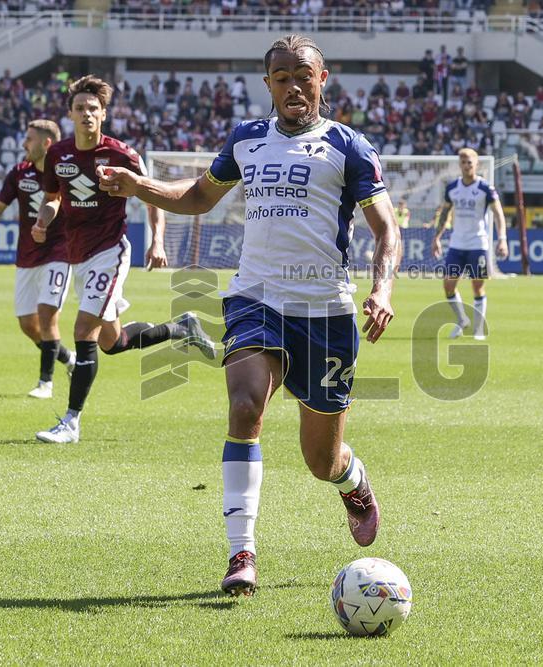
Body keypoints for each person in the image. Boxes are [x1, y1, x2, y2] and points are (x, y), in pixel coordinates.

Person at [97, 34, 401, 597]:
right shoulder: (246, 140)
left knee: (321, 458)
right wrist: (139, 186)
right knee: (243, 406)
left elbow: (386, 228)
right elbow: (196, 198)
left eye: (303, 75)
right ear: (268, 85)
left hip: (326, 311)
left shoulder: (349, 147)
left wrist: (382, 291)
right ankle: (242, 554)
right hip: (255, 298)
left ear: (322, 80)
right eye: (281, 76)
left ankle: (352, 482)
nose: (293, 85)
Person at [30, 75, 215, 444]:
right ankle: (183, 327)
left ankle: (71, 422)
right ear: (70, 113)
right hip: (79, 255)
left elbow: (152, 197)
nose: (86, 114)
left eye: (93, 109)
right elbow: (52, 198)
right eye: (80, 108)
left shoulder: (122, 155)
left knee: (83, 332)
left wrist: (158, 241)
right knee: (111, 343)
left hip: (110, 252)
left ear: (103, 114)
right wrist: (42, 219)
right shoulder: (57, 155)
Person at [0, 119, 77, 399]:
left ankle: (46, 383)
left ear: (46, 144)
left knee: (46, 315)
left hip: (60, 252)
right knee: (27, 324)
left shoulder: (66, 173)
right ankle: (70, 359)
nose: (23, 144)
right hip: (28, 256)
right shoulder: (19, 173)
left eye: (29, 139)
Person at [431, 148, 508, 340]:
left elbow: (498, 213)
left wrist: (503, 239)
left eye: (470, 162)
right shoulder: (452, 188)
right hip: (457, 244)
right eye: (463, 162)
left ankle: (478, 328)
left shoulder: (485, 188)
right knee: (448, 285)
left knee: (477, 287)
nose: (467, 166)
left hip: (478, 244)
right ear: (460, 165)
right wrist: (437, 238)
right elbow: (445, 214)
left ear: (477, 164)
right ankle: (462, 319)